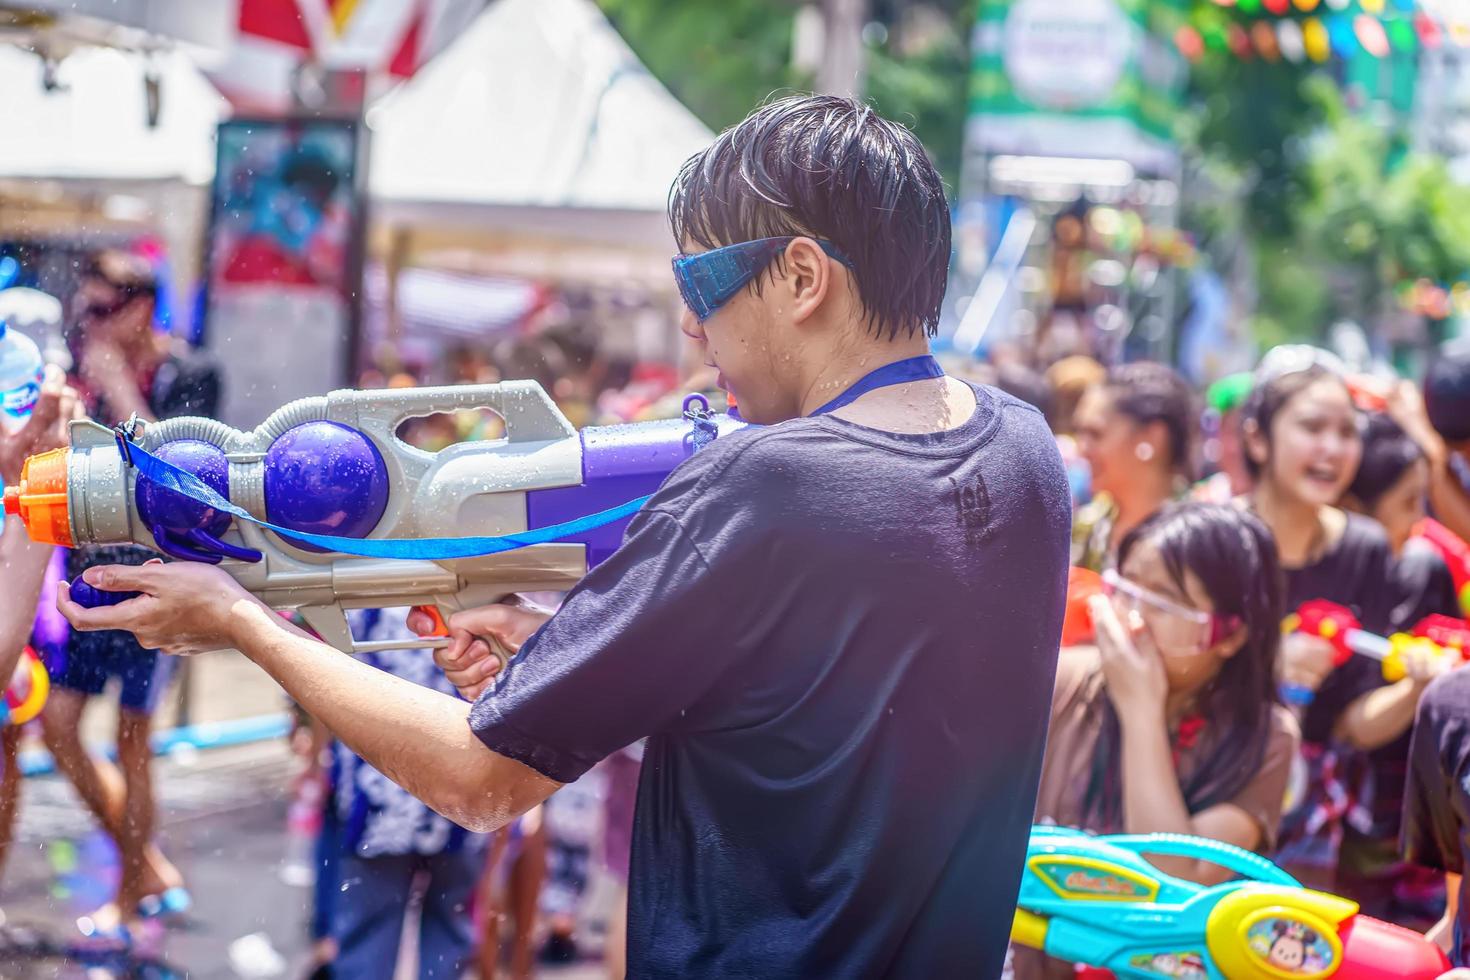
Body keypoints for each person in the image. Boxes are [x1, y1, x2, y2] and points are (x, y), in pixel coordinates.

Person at [58, 94, 1073, 977]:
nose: (688, 324)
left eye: (703, 283)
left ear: (803, 278)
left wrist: (241, 620)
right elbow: (817, 722)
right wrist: (571, 646)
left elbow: (480, 778)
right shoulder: (1022, 453)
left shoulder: (762, 483)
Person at [1015, 503, 1299, 979]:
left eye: (1162, 602)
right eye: (1125, 588)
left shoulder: (1264, 739)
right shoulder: (1060, 678)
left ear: (1229, 637)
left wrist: (1141, 713)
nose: (1131, 618)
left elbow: (1171, 879)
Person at [47, 250, 219, 940]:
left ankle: (126, 899)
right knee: (58, 729)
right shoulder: (82, 377)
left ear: (142, 308)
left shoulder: (193, 372)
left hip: (158, 579)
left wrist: (118, 389)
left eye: (101, 310)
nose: (88, 325)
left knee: (133, 744)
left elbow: (178, 478)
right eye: (82, 310)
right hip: (91, 579)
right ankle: (143, 861)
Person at [1241, 347, 1447, 893]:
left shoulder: (1366, 547)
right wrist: (1267, 664)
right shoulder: (1214, 536)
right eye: (1312, 427)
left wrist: (1417, 688)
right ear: (1258, 438)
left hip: (1311, 820)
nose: (1332, 449)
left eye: (1347, 432)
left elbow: (1353, 723)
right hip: (1209, 781)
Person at [1071, 361, 1197, 571]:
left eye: (1095, 434)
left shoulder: (1197, 542)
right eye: (1080, 433)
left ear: (1152, 439)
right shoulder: (1083, 530)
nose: (1082, 449)